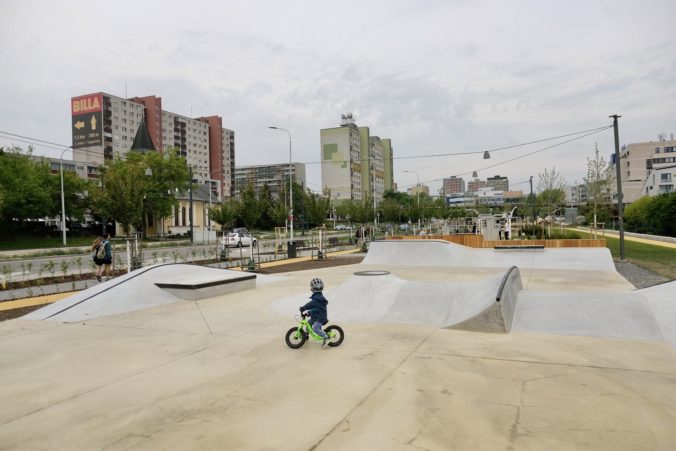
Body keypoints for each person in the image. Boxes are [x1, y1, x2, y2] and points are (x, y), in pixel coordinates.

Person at [299, 277, 330, 346]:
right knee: (308, 325)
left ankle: (326, 337)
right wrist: (309, 313)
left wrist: (303, 308)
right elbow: (316, 308)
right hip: (316, 316)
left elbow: (311, 304)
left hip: (320, 318)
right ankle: (306, 336)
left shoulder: (317, 299)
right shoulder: (317, 297)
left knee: (315, 328)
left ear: (313, 288)